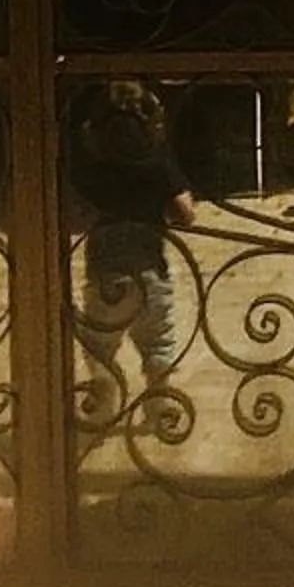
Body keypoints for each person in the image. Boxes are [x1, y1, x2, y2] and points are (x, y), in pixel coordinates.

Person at [69, 78, 197, 383]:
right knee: (158, 348)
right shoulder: (157, 165)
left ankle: (103, 397)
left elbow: (74, 216)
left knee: (98, 348)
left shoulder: (91, 168)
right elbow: (186, 214)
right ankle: (159, 401)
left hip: (106, 275)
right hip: (151, 273)